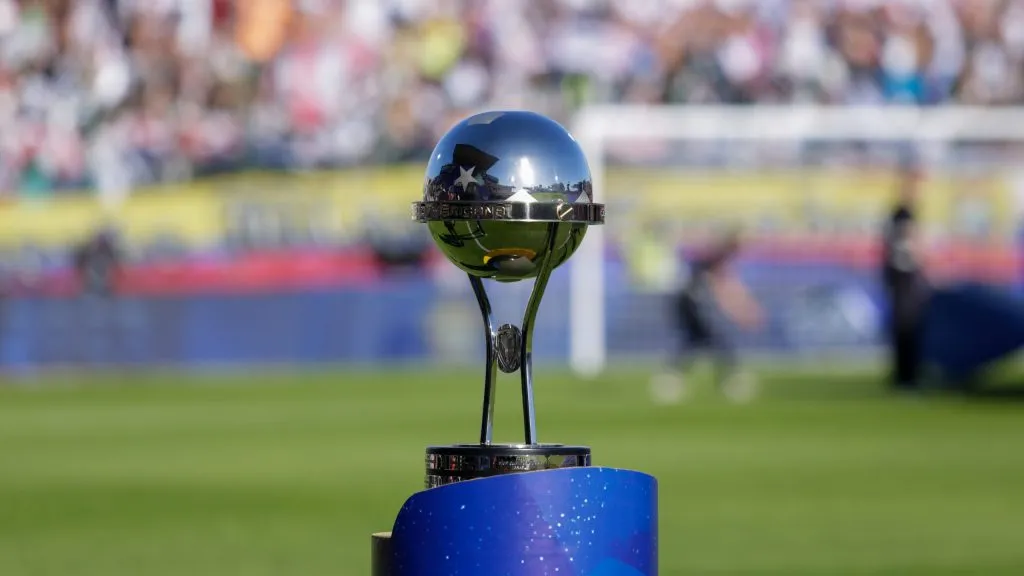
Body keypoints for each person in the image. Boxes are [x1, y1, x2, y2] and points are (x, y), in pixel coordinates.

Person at [650, 227, 764, 404]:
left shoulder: (718, 257)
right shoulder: (720, 258)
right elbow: (722, 289)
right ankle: (729, 379)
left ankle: (673, 377)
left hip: (688, 302)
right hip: (690, 303)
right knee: (711, 340)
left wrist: (742, 310)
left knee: (698, 340)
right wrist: (742, 313)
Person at [881, 165, 930, 391]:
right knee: (907, 327)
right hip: (904, 277)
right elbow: (910, 248)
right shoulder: (903, 213)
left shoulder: (899, 213)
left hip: (900, 277)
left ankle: (905, 375)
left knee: (906, 326)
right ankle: (906, 377)